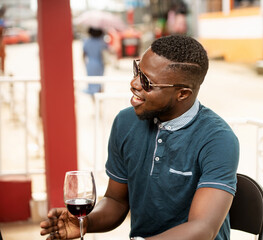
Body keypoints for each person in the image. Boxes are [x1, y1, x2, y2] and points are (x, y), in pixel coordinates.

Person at [40, 35, 239, 240]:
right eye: (137, 71)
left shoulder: (218, 140)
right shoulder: (125, 122)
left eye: (147, 82)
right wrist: (85, 223)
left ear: (182, 94)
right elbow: (116, 201)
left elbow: (202, 229)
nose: (134, 83)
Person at [83, 27, 109, 95]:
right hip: (99, 63)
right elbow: (109, 50)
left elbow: (83, 55)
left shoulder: (86, 41)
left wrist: (85, 64)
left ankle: (94, 102)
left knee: (91, 84)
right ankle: (99, 102)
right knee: (99, 83)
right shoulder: (101, 42)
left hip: (90, 64)